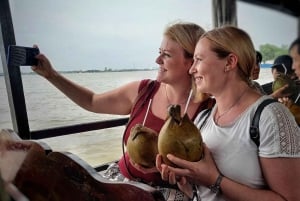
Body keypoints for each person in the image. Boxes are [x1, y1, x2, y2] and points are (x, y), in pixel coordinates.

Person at [32, 22, 215, 200]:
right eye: (159, 53)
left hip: (166, 194)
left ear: (191, 62)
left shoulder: (208, 110)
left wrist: (166, 170)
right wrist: (51, 75)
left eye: (166, 55)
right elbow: (91, 101)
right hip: (121, 181)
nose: (157, 60)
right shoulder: (143, 91)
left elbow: (207, 174)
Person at [156, 25, 300, 201]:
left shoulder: (271, 117)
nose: (191, 69)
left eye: (198, 60)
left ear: (230, 62)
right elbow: (201, 194)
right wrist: (185, 179)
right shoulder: (203, 119)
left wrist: (214, 180)